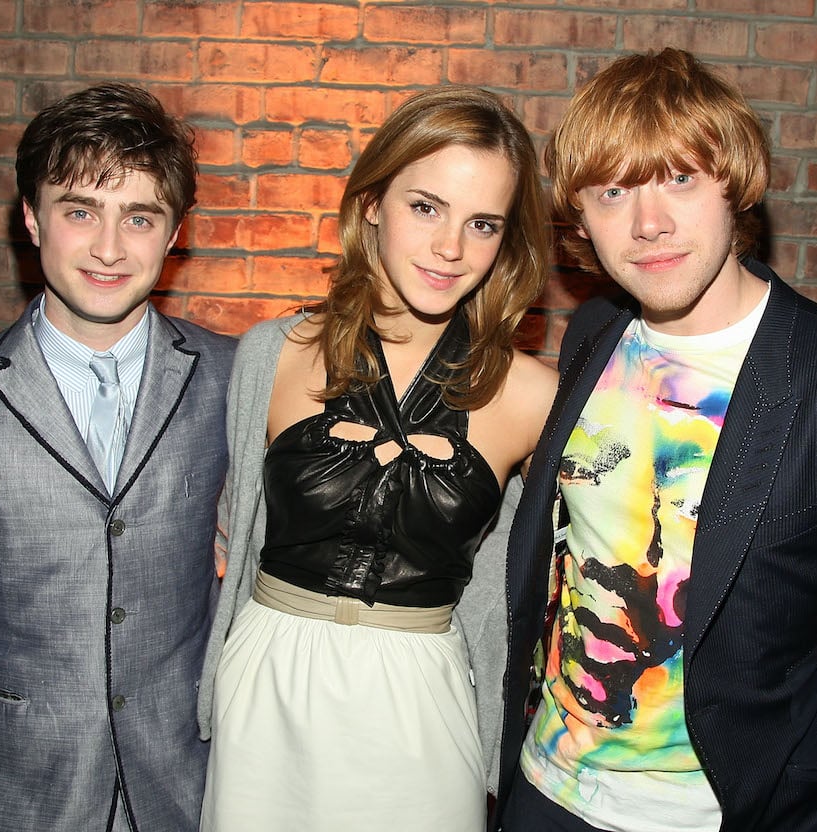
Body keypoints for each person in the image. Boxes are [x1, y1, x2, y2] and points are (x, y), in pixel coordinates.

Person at [494, 48, 817, 832]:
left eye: (679, 178)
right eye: (613, 192)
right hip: (544, 796)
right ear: (579, 216)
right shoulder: (595, 332)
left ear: (735, 183)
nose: (648, 225)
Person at [195, 85, 559, 831]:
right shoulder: (275, 353)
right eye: (425, 206)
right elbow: (223, 526)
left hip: (421, 695)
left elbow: (631, 538)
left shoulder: (533, 395)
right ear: (371, 204)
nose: (450, 248)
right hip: (268, 681)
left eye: (482, 223)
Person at [0, 83, 236, 831]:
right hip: (11, 793)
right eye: (80, 211)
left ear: (174, 236)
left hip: (187, 793)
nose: (109, 248)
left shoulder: (236, 377)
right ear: (33, 218)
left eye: (139, 218)